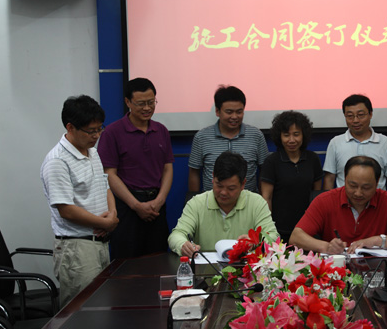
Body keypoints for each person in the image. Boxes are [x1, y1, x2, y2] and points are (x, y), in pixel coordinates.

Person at [41, 95, 118, 307]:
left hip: (100, 243)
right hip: (77, 249)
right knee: (82, 312)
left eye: (99, 129)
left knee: (102, 308)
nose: (96, 135)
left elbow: (105, 186)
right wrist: (105, 223)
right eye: (90, 131)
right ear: (70, 127)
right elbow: (66, 209)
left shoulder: (92, 152)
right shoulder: (57, 160)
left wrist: (112, 215)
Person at [97, 78, 174, 259]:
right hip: (126, 207)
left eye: (151, 102)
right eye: (141, 104)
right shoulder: (112, 133)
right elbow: (109, 174)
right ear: (128, 102)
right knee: (126, 263)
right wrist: (136, 205)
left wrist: (160, 199)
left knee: (158, 260)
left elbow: (167, 168)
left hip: (156, 205)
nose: (147, 108)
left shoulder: (161, 130)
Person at [289, 156, 387, 254]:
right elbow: (296, 237)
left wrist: (376, 241)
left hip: (377, 270)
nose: (358, 193)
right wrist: (326, 247)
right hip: (336, 271)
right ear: (345, 179)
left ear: (377, 183)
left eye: (366, 187)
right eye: (352, 185)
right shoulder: (325, 200)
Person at [169, 151, 279, 255]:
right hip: (206, 266)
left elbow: (273, 236)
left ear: (243, 184)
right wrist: (183, 245)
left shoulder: (257, 203)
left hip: (244, 266)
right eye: (219, 186)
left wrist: (255, 241)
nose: (223, 192)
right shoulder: (196, 203)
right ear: (213, 177)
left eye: (231, 188)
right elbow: (176, 235)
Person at [188, 85, 269, 193]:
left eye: (239, 112)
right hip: (212, 200)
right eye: (229, 112)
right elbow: (194, 172)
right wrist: (194, 198)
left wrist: (262, 199)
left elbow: (265, 171)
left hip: (248, 200)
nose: (234, 117)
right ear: (217, 111)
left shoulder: (256, 135)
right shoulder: (201, 137)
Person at [260, 111, 323, 243]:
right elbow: (267, 197)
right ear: (279, 136)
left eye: (296, 134)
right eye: (286, 135)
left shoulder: (313, 159)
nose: (291, 140)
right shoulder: (271, 161)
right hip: (279, 230)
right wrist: (269, 228)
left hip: (307, 229)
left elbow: (317, 196)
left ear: (303, 135)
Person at [323, 94, 387, 194]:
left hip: (377, 201)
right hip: (344, 201)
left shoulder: (384, 142)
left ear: (370, 114)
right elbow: (329, 178)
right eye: (350, 116)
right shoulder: (336, 143)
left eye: (361, 115)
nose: (355, 120)